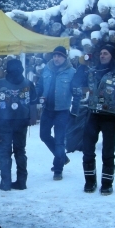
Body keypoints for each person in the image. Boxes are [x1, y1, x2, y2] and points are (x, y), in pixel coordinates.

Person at [73, 43, 115, 195]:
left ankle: (106, 183)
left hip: (110, 116)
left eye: (106, 53)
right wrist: (81, 67)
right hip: (92, 115)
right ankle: (90, 181)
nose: (102, 56)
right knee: (87, 150)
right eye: (101, 53)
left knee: (108, 152)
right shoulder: (92, 72)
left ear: (112, 55)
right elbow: (76, 83)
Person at [0, 59, 38, 191]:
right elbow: (33, 102)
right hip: (22, 121)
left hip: (4, 121)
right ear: (21, 69)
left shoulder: (0, 83)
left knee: (4, 151)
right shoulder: (28, 83)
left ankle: (5, 182)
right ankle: (21, 182)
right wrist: (32, 118)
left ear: (7, 69)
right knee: (20, 151)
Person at [36, 46, 76, 181]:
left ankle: (58, 169)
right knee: (43, 135)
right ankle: (62, 157)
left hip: (62, 111)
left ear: (65, 58)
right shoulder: (46, 69)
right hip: (47, 110)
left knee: (59, 141)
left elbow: (77, 93)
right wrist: (37, 96)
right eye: (54, 56)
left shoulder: (71, 72)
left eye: (59, 56)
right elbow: (39, 86)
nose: (56, 58)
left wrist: (74, 111)